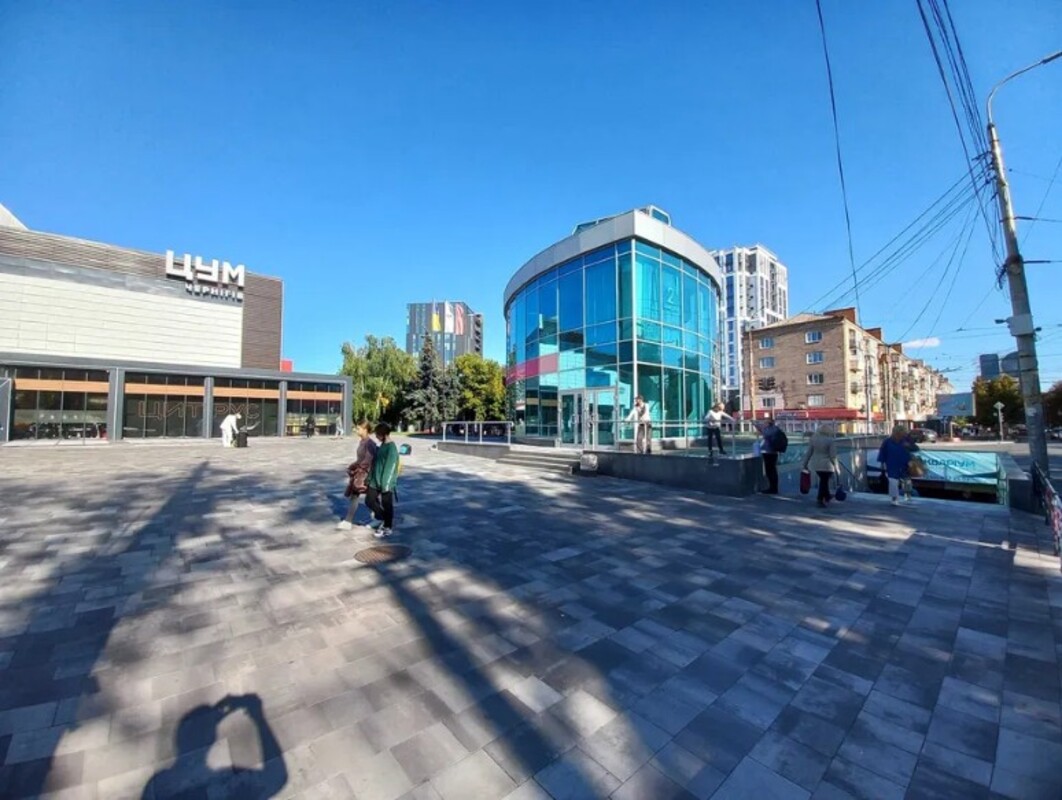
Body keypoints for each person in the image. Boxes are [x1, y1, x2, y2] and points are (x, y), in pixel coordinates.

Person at [336, 421, 378, 531]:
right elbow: (360, 459)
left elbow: (367, 461)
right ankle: (378, 517)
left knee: (360, 496)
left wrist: (357, 468)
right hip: (361, 473)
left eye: (358, 428)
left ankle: (348, 521)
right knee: (369, 497)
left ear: (365, 430)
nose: (356, 430)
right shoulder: (362, 441)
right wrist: (352, 466)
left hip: (366, 474)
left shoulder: (370, 443)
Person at [366, 422, 400, 538]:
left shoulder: (391, 448)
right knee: (369, 501)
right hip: (375, 480)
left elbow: (390, 467)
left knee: (387, 504)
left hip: (386, 482)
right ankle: (382, 518)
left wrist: (386, 484)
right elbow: (376, 463)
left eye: (378, 434)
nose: (376, 436)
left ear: (384, 434)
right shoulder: (382, 445)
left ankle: (387, 527)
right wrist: (370, 477)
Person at [802, 425, 839, 508]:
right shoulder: (830, 441)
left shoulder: (813, 439)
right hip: (827, 465)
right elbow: (833, 456)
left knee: (823, 480)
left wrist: (805, 464)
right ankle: (820, 498)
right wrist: (836, 467)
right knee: (824, 481)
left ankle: (826, 495)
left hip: (816, 464)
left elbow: (809, 453)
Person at [878, 424, 914, 505]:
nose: (903, 434)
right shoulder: (887, 442)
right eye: (902, 433)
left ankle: (908, 494)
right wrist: (882, 463)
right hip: (892, 464)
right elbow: (882, 452)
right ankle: (894, 498)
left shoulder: (906, 440)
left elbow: (915, 448)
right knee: (893, 481)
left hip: (905, 463)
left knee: (907, 480)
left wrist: (910, 445)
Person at [757, 416, 783, 494]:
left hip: (769, 452)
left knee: (770, 471)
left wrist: (756, 425)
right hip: (774, 452)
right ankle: (774, 487)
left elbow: (764, 433)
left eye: (765, 422)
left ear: (768, 423)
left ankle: (772, 488)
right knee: (773, 470)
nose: (764, 423)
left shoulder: (769, 430)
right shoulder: (776, 429)